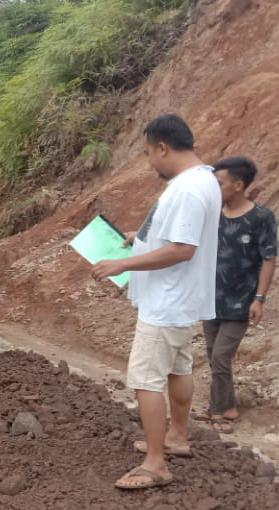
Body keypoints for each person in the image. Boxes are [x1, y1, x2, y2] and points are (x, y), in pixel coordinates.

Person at [92, 114, 220, 490]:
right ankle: (176, 437)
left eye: (149, 153)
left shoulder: (188, 189)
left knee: (146, 379)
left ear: (163, 147)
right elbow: (175, 237)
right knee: (178, 369)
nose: (150, 162)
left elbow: (182, 248)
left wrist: (122, 263)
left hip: (167, 302)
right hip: (180, 301)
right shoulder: (202, 180)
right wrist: (140, 238)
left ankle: (155, 463)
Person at [198, 157, 276, 433]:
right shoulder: (213, 214)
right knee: (213, 354)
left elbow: (268, 259)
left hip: (242, 302)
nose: (214, 188)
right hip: (211, 299)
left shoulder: (261, 218)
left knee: (220, 355)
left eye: (219, 183)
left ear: (238, 185)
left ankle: (217, 410)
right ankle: (228, 405)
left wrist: (260, 298)